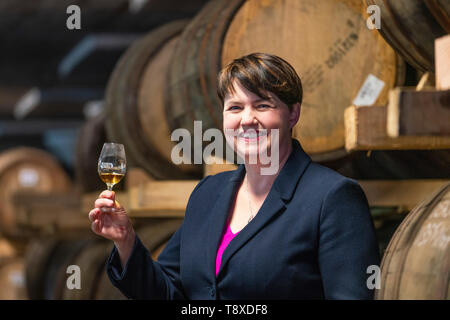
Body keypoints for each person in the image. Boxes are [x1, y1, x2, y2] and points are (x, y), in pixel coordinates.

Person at [88, 53, 380, 300]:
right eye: (235, 107)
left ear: (293, 114)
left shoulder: (332, 198)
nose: (247, 119)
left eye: (263, 105)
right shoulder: (208, 194)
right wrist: (126, 242)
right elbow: (168, 292)